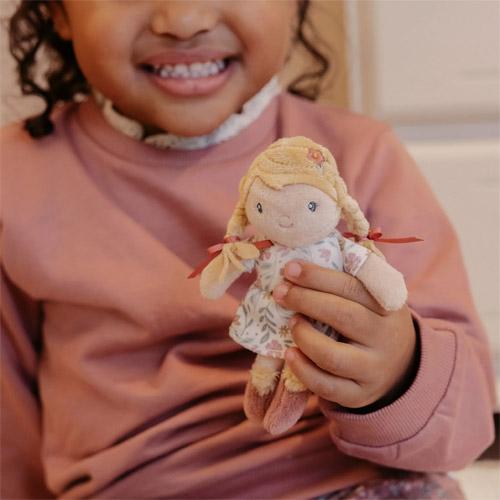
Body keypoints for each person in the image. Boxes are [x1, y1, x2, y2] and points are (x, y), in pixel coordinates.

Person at [0, 1, 495, 498]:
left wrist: (397, 372)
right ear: (57, 12)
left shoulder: (360, 157)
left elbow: (466, 427)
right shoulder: (16, 180)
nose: (184, 21)